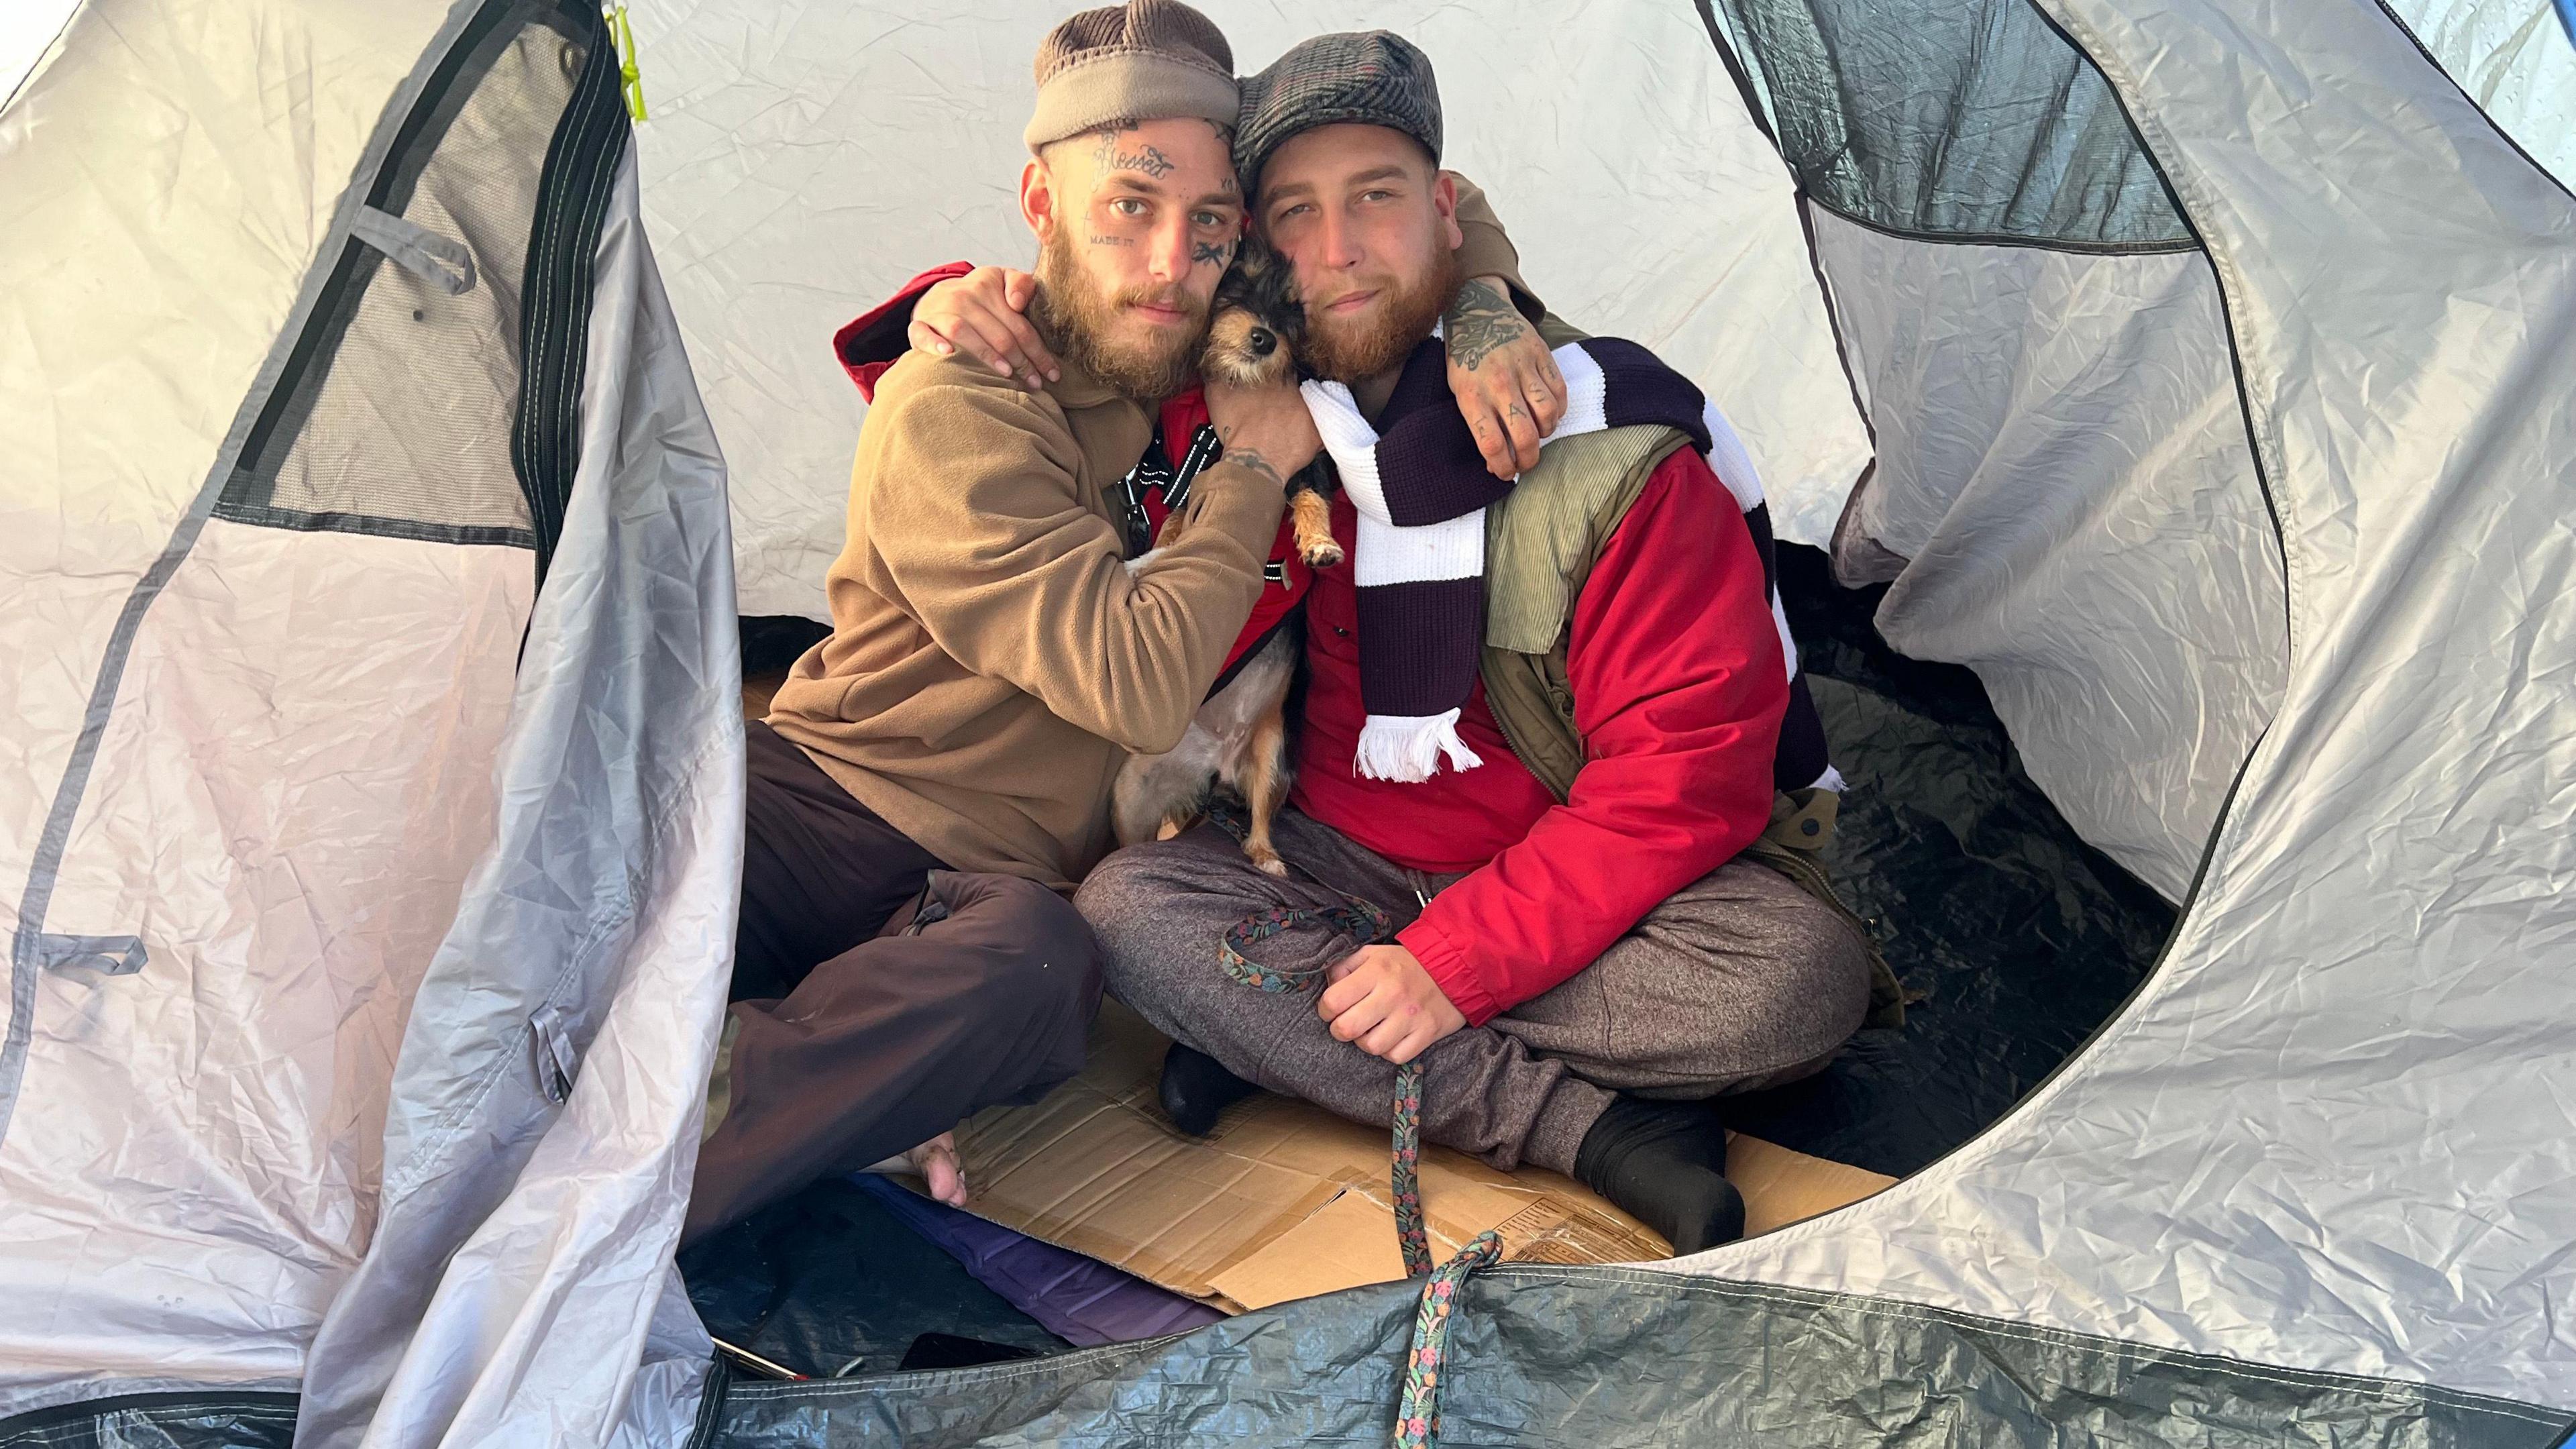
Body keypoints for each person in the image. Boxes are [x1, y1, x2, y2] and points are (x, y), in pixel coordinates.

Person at [692, 1, 1568, 1245]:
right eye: (1127, 207)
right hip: (823, 804)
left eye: (1210, 223)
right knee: (591, 912)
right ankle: (716, 1112)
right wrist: (1254, 474)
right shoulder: (968, 392)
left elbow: (1412, 191)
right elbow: (1138, 683)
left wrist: (1485, 296)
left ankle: (754, 1106)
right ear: (1041, 206)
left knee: (1042, 972)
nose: (1171, 265)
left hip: (984, 891)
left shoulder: (1208, 349)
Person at [1064, 33, 1878, 1254]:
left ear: (1449, 213)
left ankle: (1303, 1031)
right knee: (1127, 909)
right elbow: (1083, 291)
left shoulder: (1613, 451)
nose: (1335, 249)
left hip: (1578, 878)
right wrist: (957, 309)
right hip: (1333, 860)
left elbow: (1681, 784)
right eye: (1294, 214)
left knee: (1797, 982)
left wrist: (1452, 964)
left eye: (1375, 199)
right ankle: (1593, 1132)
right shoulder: (1258, 424)